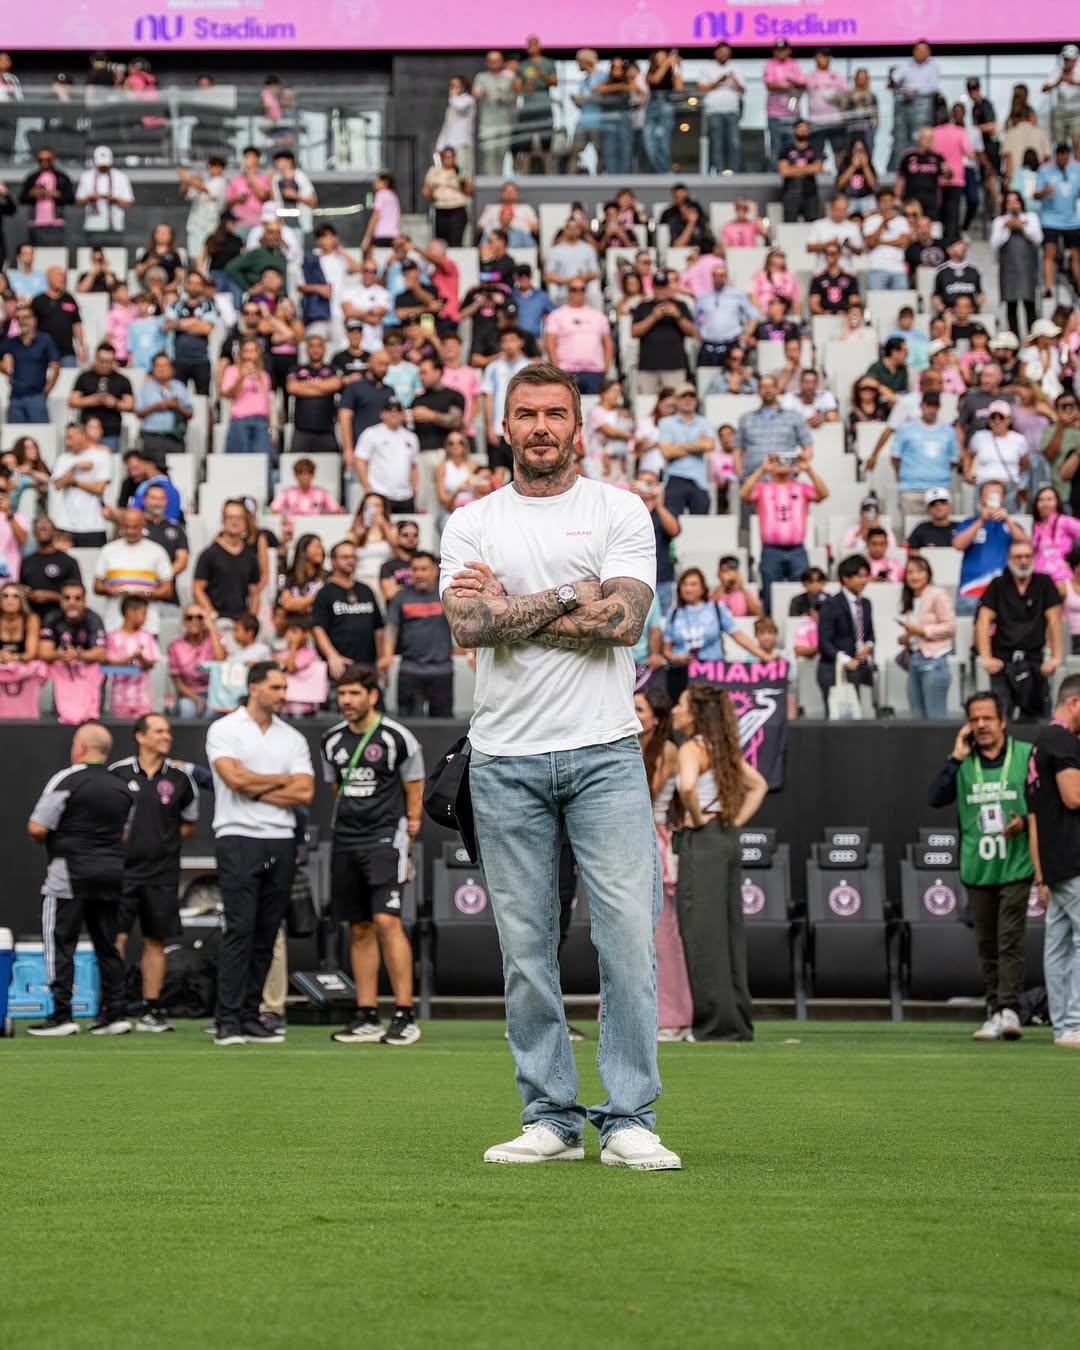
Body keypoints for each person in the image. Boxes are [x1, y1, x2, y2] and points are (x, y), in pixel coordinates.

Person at [439, 360, 681, 1170]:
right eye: (526, 414)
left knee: (627, 941)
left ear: (578, 427)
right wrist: (570, 596)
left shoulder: (621, 509)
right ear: (503, 427)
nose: (541, 427)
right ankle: (548, 1116)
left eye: (554, 414)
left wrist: (514, 609)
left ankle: (629, 1118)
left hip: (605, 751)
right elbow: (468, 627)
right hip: (503, 758)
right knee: (525, 949)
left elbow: (623, 622)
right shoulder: (472, 520)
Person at [205, 663, 315, 1046]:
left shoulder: (292, 737)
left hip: (281, 840)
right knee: (240, 929)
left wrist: (255, 785)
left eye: (285, 686)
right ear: (253, 688)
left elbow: (304, 793)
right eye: (275, 686)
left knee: (267, 932)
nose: (282, 694)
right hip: (237, 837)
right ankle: (228, 1021)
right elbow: (232, 780)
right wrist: (280, 780)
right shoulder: (224, 729)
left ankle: (251, 1014)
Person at [319, 664, 426, 1046]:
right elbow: (337, 787)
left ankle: (404, 1013)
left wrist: (408, 837)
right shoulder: (331, 740)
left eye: (353, 694)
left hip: (385, 837)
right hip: (346, 838)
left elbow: (415, 787)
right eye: (341, 694)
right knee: (359, 925)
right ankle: (366, 1014)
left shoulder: (398, 737)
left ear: (372, 695)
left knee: (386, 921)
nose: (345, 701)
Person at [927, 693, 1034, 1041]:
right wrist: (955, 756)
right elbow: (935, 797)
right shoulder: (963, 762)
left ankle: (1009, 1009)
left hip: (1015, 862)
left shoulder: (1025, 754)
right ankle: (994, 1010)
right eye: (975, 720)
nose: (982, 726)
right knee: (987, 943)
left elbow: (1045, 802)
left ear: (1003, 721)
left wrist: (1027, 825)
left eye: (988, 718)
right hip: (977, 866)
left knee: (1010, 941)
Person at [670, 684, 767, 1041]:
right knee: (728, 931)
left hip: (705, 839)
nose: (675, 711)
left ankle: (715, 1025)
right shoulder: (721, 748)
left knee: (701, 930)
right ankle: (736, 1019)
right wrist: (735, 822)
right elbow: (759, 785)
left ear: (696, 712)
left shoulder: (692, 748)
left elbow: (688, 789)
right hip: (725, 837)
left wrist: (695, 817)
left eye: (680, 704)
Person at [25, 722, 135, 1037]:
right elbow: (125, 833)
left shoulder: (66, 778)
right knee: (108, 946)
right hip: (111, 874)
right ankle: (114, 1015)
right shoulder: (121, 786)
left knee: (59, 942)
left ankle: (61, 1015)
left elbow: (37, 827)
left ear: (81, 748)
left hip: (68, 874)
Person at [108, 714, 198, 1031]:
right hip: (120, 871)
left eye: (168, 731)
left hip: (161, 873)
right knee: (114, 938)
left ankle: (150, 1009)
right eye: (159, 731)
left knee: (155, 941)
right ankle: (113, 1007)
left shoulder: (179, 778)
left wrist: (160, 840)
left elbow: (188, 823)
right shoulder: (116, 774)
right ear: (140, 736)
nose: (166, 736)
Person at [1028, 675, 1080, 1047]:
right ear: (1074, 703)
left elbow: (1034, 817)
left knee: (1058, 944)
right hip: (1074, 857)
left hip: (1055, 861)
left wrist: (1041, 873)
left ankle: (1065, 1026)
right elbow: (1073, 796)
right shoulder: (1061, 740)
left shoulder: (1039, 744)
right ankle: (1074, 1023)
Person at [976, 535, 1062, 721]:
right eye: (1018, 557)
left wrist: (1055, 657)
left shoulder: (1044, 583)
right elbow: (983, 620)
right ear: (1009, 560)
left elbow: (1054, 621)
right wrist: (985, 657)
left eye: (1027, 556)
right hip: (1003, 661)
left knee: (1038, 720)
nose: (1023, 561)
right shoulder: (998, 584)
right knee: (1000, 718)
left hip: (1035, 660)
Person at [740, 452, 829, 614]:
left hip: (797, 550)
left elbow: (823, 494)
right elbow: (743, 494)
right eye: (778, 461)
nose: (782, 464)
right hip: (770, 550)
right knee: (769, 594)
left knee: (804, 593)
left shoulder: (801, 487)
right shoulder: (762, 488)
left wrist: (808, 470)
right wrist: (762, 469)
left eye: (787, 460)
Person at [380, 551, 454, 717]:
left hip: (441, 671)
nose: (419, 574)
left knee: (444, 725)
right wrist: (387, 656)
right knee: (409, 723)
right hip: (410, 671)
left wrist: (471, 652)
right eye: (415, 569)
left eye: (424, 569)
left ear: (435, 570)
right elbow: (391, 627)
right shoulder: (401, 597)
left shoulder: (446, 595)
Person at [311, 541, 385, 683]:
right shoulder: (325, 593)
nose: (350, 560)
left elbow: (378, 628)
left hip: (368, 665)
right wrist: (332, 656)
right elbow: (318, 628)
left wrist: (381, 659)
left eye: (353, 557)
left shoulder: (366, 590)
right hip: (340, 665)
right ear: (333, 561)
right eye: (345, 557)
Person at [93, 506, 172, 637]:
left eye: (135, 527)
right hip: (114, 624)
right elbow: (97, 586)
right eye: (126, 526)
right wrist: (111, 590)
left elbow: (167, 590)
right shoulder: (108, 550)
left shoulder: (157, 551)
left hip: (147, 626)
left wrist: (144, 593)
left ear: (143, 525)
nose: (130, 531)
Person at [898, 555, 956, 719]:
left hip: (934, 661)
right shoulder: (910, 599)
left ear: (928, 574)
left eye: (919, 571)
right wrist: (906, 639)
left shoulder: (938, 594)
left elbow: (950, 627)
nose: (914, 576)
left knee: (936, 718)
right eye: (910, 572)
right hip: (915, 659)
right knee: (917, 719)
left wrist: (922, 631)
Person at [817, 554, 875, 715]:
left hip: (859, 668)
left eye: (865, 576)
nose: (863, 581)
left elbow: (870, 634)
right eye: (858, 576)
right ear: (845, 578)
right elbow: (823, 641)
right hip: (833, 669)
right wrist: (845, 660)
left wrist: (868, 646)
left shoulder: (866, 603)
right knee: (836, 717)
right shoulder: (830, 604)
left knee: (856, 717)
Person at [734, 375, 815, 480]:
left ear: (777, 390)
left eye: (771, 386)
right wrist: (740, 474)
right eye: (764, 387)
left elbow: (808, 447)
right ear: (758, 391)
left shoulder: (794, 416)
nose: (768, 390)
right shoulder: (746, 418)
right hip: (753, 481)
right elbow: (737, 450)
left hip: (784, 480)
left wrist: (797, 469)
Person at [629, 271, 697, 395]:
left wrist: (678, 316)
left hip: (674, 365)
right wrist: (653, 317)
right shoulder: (643, 306)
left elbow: (692, 332)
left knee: (675, 402)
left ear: (668, 287)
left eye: (663, 287)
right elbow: (634, 332)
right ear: (653, 288)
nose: (661, 291)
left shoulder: (680, 306)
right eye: (658, 287)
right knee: (646, 403)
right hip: (648, 366)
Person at [192, 499, 261, 620]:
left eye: (239, 518)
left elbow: (254, 592)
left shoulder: (250, 556)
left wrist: (250, 619)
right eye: (230, 517)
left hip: (241, 624)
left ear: (245, 522)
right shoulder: (209, 554)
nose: (235, 521)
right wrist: (212, 614)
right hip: (215, 622)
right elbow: (197, 589)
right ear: (223, 521)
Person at [991, 190, 1043, 339]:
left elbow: (1038, 238)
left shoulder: (1031, 218)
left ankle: (1032, 338)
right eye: (1009, 201)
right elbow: (994, 244)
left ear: (1021, 203)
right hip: (1009, 269)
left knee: (1030, 304)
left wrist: (1022, 226)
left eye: (1016, 200)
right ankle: (1014, 339)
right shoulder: (999, 221)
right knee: (1011, 304)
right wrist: (1006, 229)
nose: (1013, 204)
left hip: (1027, 268)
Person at [542, 284, 612, 396]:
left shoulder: (598, 315)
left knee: (592, 407)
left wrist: (606, 367)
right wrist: (557, 368)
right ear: (568, 292)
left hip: (594, 371)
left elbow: (607, 343)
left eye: (582, 289)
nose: (578, 292)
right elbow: (550, 343)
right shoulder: (557, 315)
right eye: (574, 289)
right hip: (566, 370)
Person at [656, 383, 714, 517]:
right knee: (671, 523)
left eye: (691, 396)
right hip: (675, 477)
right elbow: (667, 452)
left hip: (699, 480)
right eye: (683, 396)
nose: (688, 400)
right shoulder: (666, 422)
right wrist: (697, 445)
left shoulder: (705, 422)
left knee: (701, 523)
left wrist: (678, 446)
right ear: (676, 400)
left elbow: (709, 446)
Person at [49, 423, 109, 547]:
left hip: (94, 525)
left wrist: (74, 482)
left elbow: (99, 488)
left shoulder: (101, 456)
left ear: (82, 435)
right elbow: (58, 485)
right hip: (66, 525)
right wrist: (74, 467)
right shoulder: (63, 458)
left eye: (70, 437)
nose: (67, 442)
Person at [963, 400, 1029, 513]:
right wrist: (967, 473)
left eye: (1001, 417)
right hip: (984, 487)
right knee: (982, 523)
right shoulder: (979, 437)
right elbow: (968, 455)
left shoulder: (1019, 439)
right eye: (993, 417)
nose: (997, 421)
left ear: (1009, 419)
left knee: (1010, 523)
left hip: (1009, 488)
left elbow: (1024, 464)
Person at [1034, 142, 1080, 298]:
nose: (1063, 161)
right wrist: (1044, 192)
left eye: (1065, 158)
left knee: (1076, 254)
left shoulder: (1077, 168)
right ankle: (1048, 287)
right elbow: (1035, 194)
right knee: (1049, 253)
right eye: (1060, 158)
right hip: (1050, 220)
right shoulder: (1045, 170)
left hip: (1072, 220)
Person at [68, 342, 133, 450]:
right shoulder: (84, 377)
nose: (104, 365)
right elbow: (72, 401)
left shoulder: (122, 380)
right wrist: (93, 400)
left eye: (108, 361)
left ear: (113, 360)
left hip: (111, 431)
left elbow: (130, 405)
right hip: (86, 432)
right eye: (101, 361)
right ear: (96, 358)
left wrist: (114, 403)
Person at [1, 305, 59, 422]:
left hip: (36, 396)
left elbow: (55, 365)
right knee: (14, 436)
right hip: (15, 397)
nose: (22, 321)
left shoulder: (45, 340)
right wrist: (6, 370)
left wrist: (47, 389)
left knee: (40, 435)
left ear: (34, 319)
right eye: (18, 318)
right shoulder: (12, 341)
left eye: (26, 317)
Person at [20, 516, 81, 618]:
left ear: (55, 532)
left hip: (61, 618)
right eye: (39, 525)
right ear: (34, 532)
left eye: (47, 525)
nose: (43, 528)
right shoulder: (26, 561)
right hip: (31, 617)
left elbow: (78, 595)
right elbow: (21, 588)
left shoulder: (69, 561)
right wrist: (25, 593)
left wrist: (50, 596)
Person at [699, 42, 744, 175]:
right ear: (715, 53)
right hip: (714, 111)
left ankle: (733, 172)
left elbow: (743, 90)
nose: (724, 54)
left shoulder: (736, 68)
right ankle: (719, 172)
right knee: (717, 144)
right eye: (721, 52)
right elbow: (701, 89)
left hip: (732, 110)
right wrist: (718, 81)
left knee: (734, 143)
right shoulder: (707, 68)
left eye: (726, 52)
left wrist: (734, 80)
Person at [472, 50, 517, 178]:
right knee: (489, 156)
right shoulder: (481, 77)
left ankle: (500, 184)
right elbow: (476, 93)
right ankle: (490, 186)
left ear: (502, 61)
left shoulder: (509, 77)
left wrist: (502, 98)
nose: (494, 63)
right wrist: (479, 93)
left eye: (496, 60)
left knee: (502, 155)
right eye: (491, 60)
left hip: (504, 123)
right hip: (487, 124)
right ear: (487, 62)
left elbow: (514, 98)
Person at [762, 38, 805, 167]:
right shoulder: (770, 64)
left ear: (789, 51)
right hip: (775, 113)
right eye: (778, 50)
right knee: (776, 144)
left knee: (794, 145)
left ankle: (794, 171)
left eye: (784, 50)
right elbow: (769, 85)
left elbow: (802, 84)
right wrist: (787, 86)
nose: (781, 52)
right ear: (774, 51)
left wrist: (792, 84)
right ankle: (775, 172)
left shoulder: (794, 64)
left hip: (792, 112)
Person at [74, 145, 133, 239]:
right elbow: (78, 202)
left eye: (105, 165)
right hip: (92, 224)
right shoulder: (86, 176)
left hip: (115, 225)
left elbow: (128, 203)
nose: (103, 168)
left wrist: (115, 200)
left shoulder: (121, 177)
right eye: (101, 165)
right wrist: (90, 198)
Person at [862, 189, 912, 291]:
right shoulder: (870, 220)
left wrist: (880, 242)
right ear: (878, 202)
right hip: (877, 267)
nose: (887, 204)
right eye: (883, 201)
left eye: (890, 201)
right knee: (877, 303)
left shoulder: (901, 220)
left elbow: (903, 241)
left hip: (898, 269)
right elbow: (870, 243)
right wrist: (884, 222)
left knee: (900, 303)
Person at [777, 119, 823, 224]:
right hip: (790, 193)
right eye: (800, 128)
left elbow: (817, 168)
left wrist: (793, 169)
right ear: (794, 130)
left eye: (805, 128)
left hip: (810, 193)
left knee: (813, 226)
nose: (803, 131)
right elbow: (784, 171)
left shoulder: (815, 148)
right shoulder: (786, 149)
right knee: (790, 226)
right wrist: (807, 169)